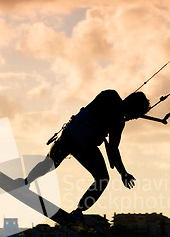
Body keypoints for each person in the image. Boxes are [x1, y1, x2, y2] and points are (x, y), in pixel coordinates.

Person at [18, 89, 151, 220]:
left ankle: (26, 182)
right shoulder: (113, 106)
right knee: (102, 179)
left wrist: (123, 172)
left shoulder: (112, 102)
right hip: (80, 143)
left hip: (71, 137)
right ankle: (78, 211)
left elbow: (113, 149)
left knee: (50, 163)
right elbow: (113, 149)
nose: (132, 118)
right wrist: (123, 173)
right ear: (131, 107)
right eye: (135, 115)